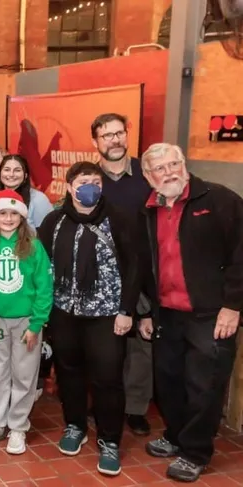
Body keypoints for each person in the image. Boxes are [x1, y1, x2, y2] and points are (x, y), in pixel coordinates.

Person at [137, 143, 243, 482]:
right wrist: (146, 311)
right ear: (148, 177)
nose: (169, 172)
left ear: (184, 164)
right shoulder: (148, 210)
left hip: (210, 313)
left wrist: (233, 306)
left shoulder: (220, 200)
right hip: (166, 312)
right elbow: (144, 266)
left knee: (205, 384)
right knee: (169, 381)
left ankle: (195, 451)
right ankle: (176, 434)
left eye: (174, 164)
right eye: (160, 168)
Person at [38, 161, 145, 475]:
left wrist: (128, 310)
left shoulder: (119, 219)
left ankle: (110, 440)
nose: (91, 187)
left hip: (107, 314)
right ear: (70, 186)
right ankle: (74, 425)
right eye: (84, 181)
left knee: (107, 378)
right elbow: (40, 266)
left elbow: (135, 267)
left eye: (96, 182)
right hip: (64, 312)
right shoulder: (54, 220)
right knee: (69, 372)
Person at [0, 190, 54, 456]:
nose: (8, 219)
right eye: (2, 214)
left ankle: (18, 425)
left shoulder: (33, 246)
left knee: (24, 374)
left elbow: (44, 288)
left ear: (22, 218)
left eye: (13, 214)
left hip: (25, 322)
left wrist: (36, 324)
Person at [90, 113, 154, 437]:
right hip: (102, 274)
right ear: (95, 142)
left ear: (127, 136)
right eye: (106, 135)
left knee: (142, 344)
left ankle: (136, 409)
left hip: (144, 272)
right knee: (105, 343)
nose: (114, 140)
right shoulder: (90, 180)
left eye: (119, 133)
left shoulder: (148, 174)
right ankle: (102, 401)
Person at [0, 155, 51, 228]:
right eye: (7, 170)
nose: (11, 174)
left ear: (25, 175)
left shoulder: (38, 199)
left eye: (17, 170)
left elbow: (48, 231)